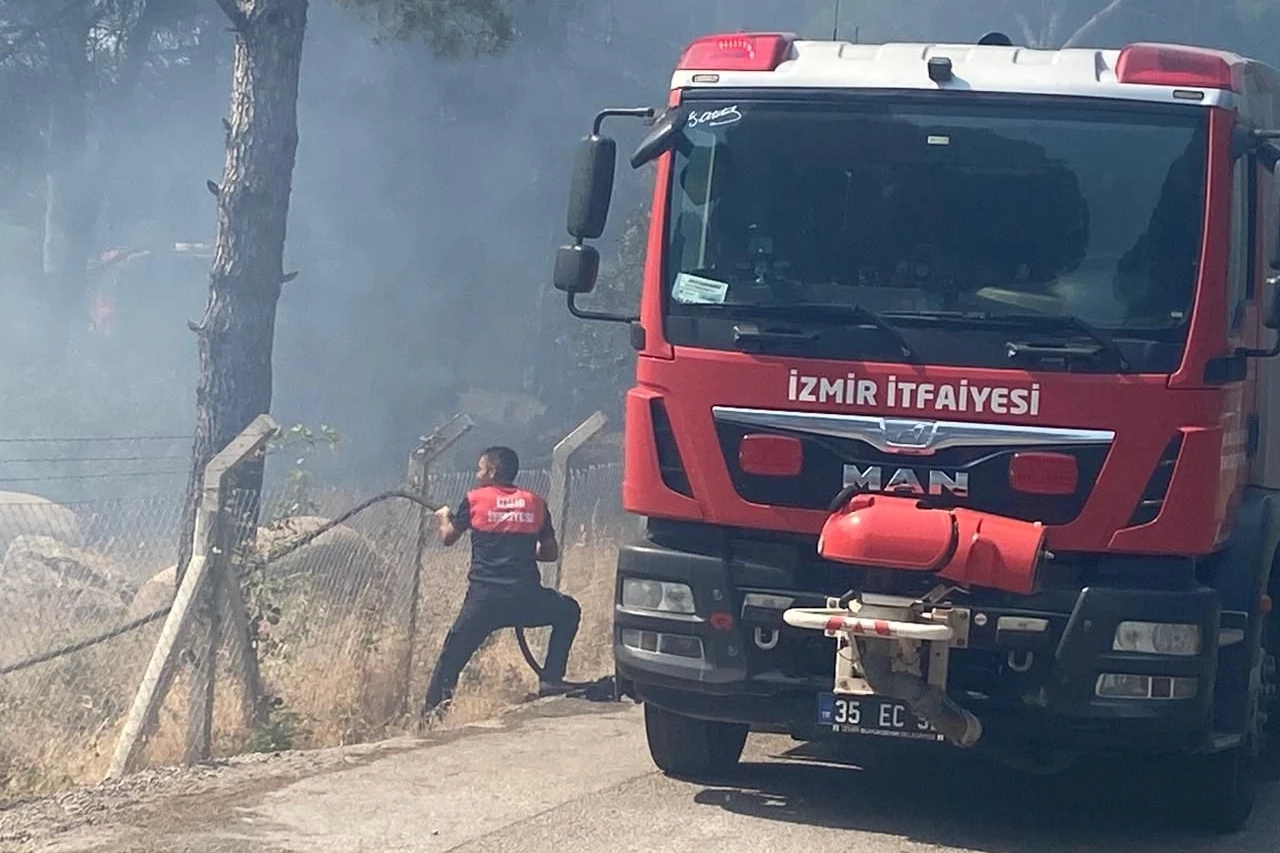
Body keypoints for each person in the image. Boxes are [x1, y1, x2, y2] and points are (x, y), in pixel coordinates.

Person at [422, 446, 582, 716]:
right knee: (569, 610)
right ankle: (551, 679)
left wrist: (442, 518)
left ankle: (431, 718)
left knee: (451, 658)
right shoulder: (535, 502)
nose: (477, 474)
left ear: (493, 472)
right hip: (526, 598)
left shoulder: (475, 500)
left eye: (480, 469)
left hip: (484, 601)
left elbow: (448, 538)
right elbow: (550, 553)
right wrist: (519, 551)